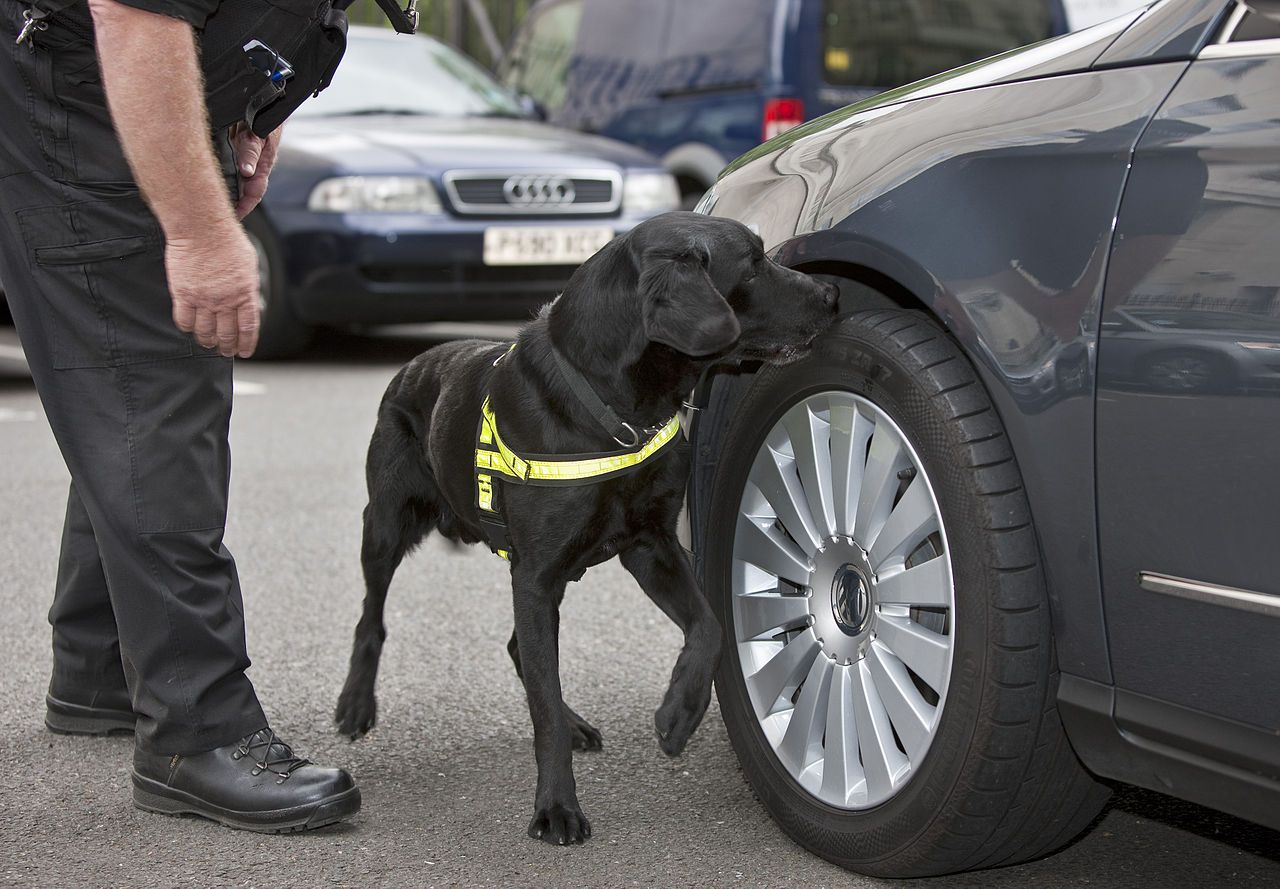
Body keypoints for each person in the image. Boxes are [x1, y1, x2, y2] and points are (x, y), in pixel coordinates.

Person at [0, 0, 361, 832]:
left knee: (132, 381)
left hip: (115, 68)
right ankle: (195, 731)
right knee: (151, 378)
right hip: (80, 79)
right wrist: (198, 234)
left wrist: (251, 110)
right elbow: (135, 17)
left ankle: (98, 666)